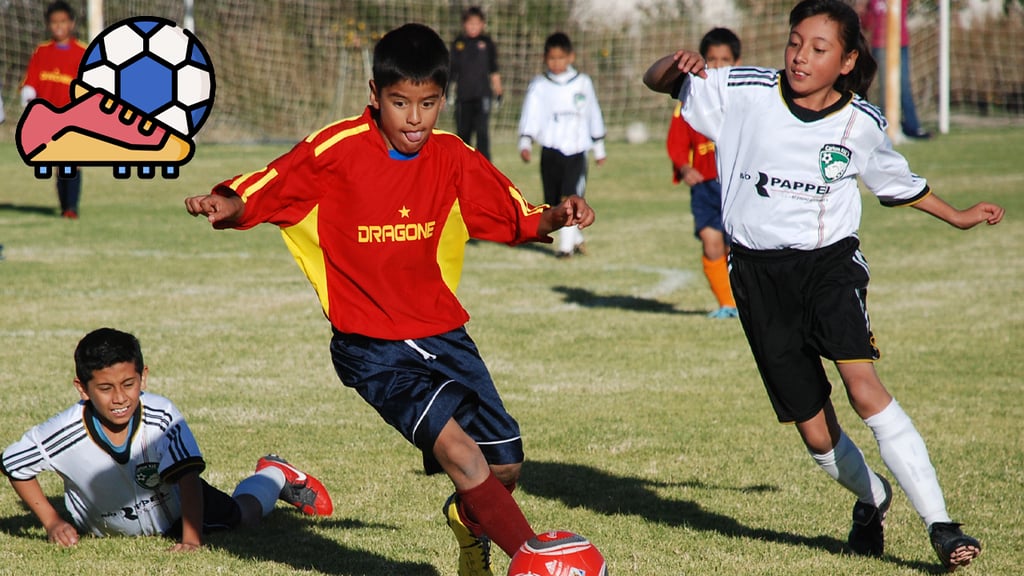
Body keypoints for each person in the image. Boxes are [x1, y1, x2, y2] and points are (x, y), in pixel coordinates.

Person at [184, 23, 594, 576]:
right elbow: (272, 183)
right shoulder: (338, 150)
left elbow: (514, 213)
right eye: (401, 103)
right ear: (375, 97)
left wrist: (557, 214)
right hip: (371, 347)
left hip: (442, 332)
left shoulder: (450, 155)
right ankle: (533, 559)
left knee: (505, 465)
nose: (415, 118)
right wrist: (228, 204)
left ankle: (473, 521)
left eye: (427, 103)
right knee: (462, 455)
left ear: (442, 100)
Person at [643, 0, 1002, 570]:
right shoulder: (744, 90)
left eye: (817, 48)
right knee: (816, 435)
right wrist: (673, 64)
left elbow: (895, 180)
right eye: (794, 42)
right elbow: (659, 81)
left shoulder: (861, 123)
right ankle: (872, 498)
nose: (799, 56)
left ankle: (941, 523)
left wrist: (957, 214)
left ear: (846, 60)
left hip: (828, 266)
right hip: (756, 277)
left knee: (862, 387)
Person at [1, 328, 334, 551]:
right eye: (105, 388)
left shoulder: (160, 416)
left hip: (176, 513)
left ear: (143, 377)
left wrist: (191, 539)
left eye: (128, 384)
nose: (119, 398)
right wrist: (52, 521)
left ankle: (274, 474)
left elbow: (187, 479)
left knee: (243, 516)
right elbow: (15, 464)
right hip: (107, 528)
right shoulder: (64, 431)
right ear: (81, 388)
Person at [666, 27, 741, 319]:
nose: (719, 65)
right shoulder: (691, 99)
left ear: (737, 61)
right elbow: (676, 140)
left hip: (736, 184)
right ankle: (727, 304)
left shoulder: (746, 99)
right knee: (712, 243)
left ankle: (747, 301)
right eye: (713, 59)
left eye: (725, 59)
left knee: (740, 247)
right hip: (706, 187)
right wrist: (684, 167)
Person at [518, 32, 606, 259]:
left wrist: (599, 147)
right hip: (550, 149)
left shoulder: (583, 83)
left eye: (560, 58)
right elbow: (531, 114)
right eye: (551, 58)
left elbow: (592, 113)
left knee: (571, 198)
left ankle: (565, 249)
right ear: (545, 59)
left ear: (571, 57)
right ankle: (576, 239)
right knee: (552, 203)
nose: (556, 63)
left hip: (576, 150)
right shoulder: (540, 85)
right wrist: (525, 142)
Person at [20, 1, 87, 219]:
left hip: (74, 118)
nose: (59, 26)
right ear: (49, 25)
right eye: (54, 22)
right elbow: (31, 81)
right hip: (48, 118)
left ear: (72, 23)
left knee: (73, 162)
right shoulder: (42, 51)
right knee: (59, 163)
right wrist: (28, 95)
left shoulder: (82, 52)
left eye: (63, 22)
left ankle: (71, 208)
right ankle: (64, 206)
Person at [857, 0, 931, 139]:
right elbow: (867, 24)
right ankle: (885, 126)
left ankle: (913, 127)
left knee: (904, 86)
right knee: (885, 89)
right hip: (880, 46)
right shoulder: (872, 2)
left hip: (900, 44)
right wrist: (862, 12)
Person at [449, 6, 503, 161]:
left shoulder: (487, 43)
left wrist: (499, 91)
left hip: (482, 95)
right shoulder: (459, 43)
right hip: (463, 96)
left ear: (482, 24)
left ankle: (485, 168)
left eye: (476, 23)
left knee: (482, 134)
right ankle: (462, 166)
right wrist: (446, 93)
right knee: (463, 134)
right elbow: (452, 71)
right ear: (464, 24)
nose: (473, 27)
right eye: (470, 23)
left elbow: (494, 69)